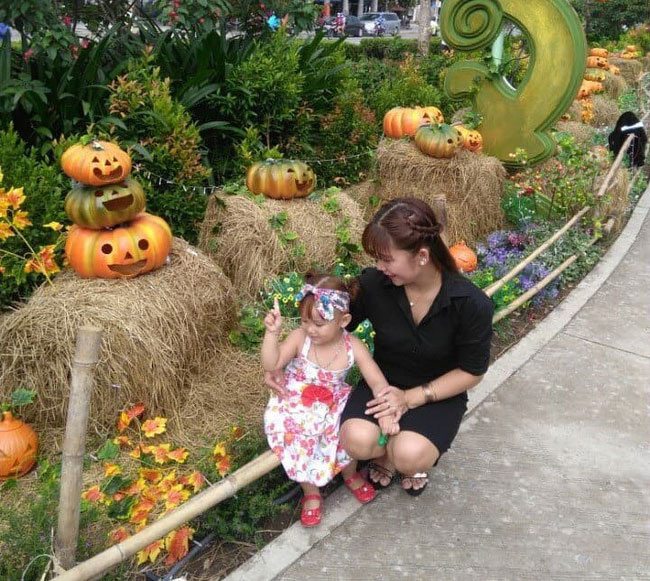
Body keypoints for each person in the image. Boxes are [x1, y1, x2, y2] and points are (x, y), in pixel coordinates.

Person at [338, 198, 494, 496]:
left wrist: (409, 399)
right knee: (355, 440)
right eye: (377, 259)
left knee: (409, 455)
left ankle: (401, 455)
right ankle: (386, 452)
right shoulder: (375, 285)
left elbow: (472, 371)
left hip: (437, 392)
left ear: (422, 256)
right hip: (383, 385)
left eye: (387, 259)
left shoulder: (470, 304)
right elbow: (337, 326)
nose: (379, 267)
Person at [262, 273, 399, 527]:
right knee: (297, 432)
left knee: (344, 427)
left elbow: (377, 382)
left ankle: (349, 473)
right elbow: (272, 363)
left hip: (333, 400)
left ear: (343, 320)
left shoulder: (353, 346)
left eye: (319, 323)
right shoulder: (300, 339)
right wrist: (272, 334)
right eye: (305, 321)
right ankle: (310, 490)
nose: (310, 329)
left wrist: (386, 409)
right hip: (296, 398)